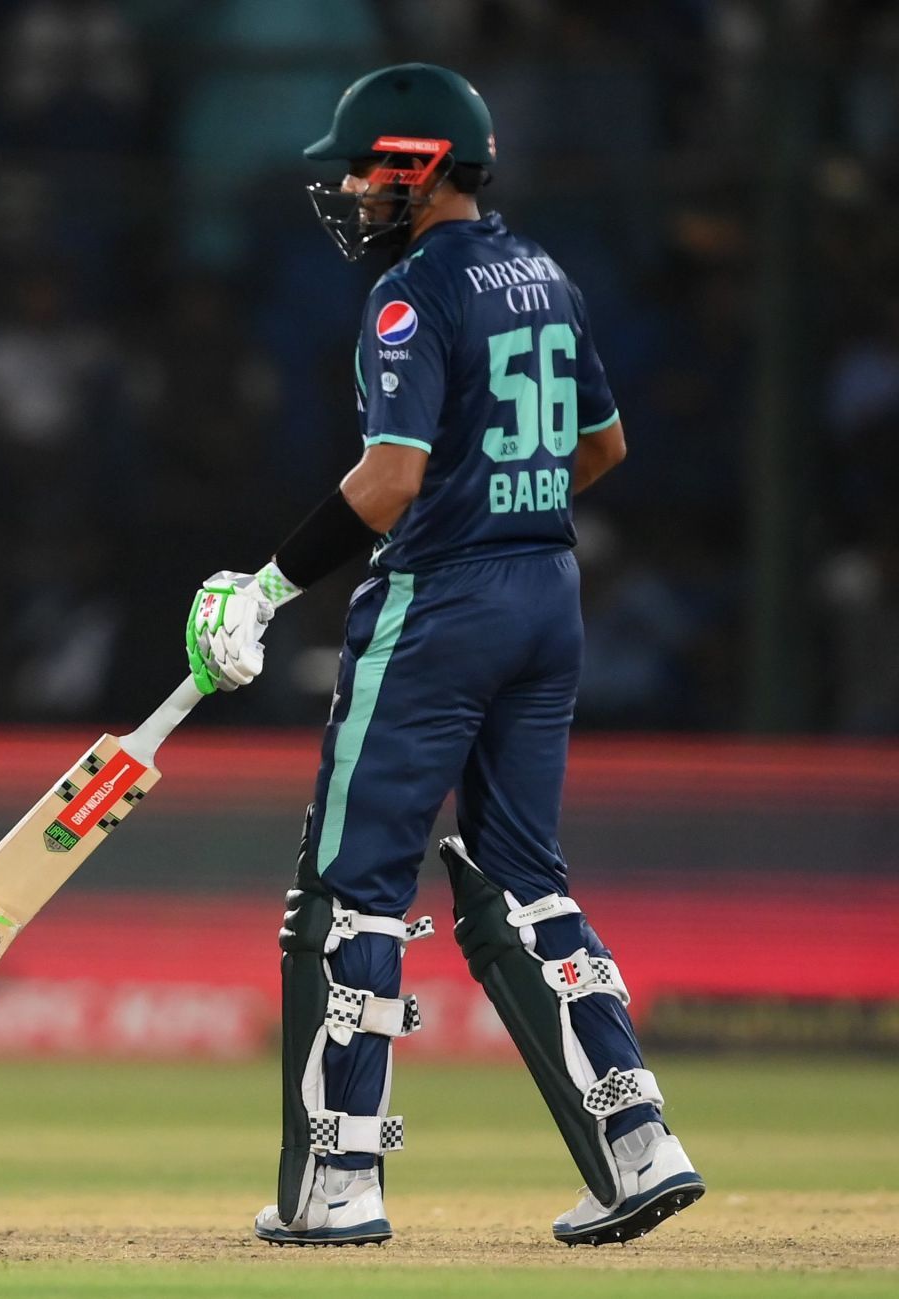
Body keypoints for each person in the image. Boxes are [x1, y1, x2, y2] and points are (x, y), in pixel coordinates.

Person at [184, 64, 704, 1247]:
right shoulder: (551, 278)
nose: (355, 189)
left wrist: (266, 588)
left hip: (443, 605)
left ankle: (336, 1186)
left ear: (420, 167)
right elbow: (606, 448)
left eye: (369, 167)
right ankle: (639, 1146)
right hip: (548, 591)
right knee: (523, 880)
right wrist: (507, 508)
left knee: (347, 890)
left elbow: (390, 480)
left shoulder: (415, 293)